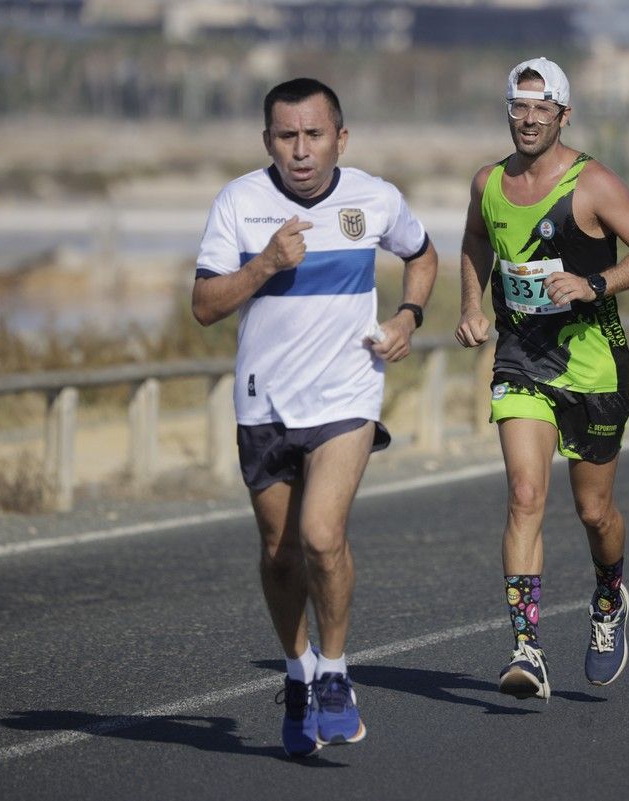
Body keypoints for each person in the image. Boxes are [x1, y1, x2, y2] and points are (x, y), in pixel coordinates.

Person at [192, 78, 437, 756]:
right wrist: (266, 263)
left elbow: (421, 254)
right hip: (262, 400)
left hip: (346, 393)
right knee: (280, 552)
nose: (300, 151)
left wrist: (408, 316)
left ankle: (334, 672)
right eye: (285, 136)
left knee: (322, 534)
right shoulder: (239, 203)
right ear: (267, 140)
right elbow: (206, 304)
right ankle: (297, 670)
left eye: (313, 135)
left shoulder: (374, 197)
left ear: (340, 137)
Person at [454, 57, 629, 701]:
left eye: (540, 109)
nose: (527, 120)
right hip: (521, 355)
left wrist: (592, 283)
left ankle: (609, 597)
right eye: (518, 108)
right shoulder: (488, 183)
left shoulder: (593, 183)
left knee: (593, 510)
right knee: (525, 494)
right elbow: (474, 240)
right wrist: (470, 304)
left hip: (593, 362)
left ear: (562, 114)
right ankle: (527, 648)